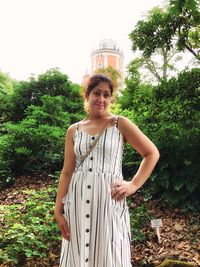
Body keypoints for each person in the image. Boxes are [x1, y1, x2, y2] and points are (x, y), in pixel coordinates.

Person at [54, 74, 160, 267]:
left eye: (106, 94)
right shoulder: (73, 130)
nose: (101, 99)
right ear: (87, 95)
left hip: (108, 203)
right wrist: (58, 210)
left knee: (110, 252)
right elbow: (67, 172)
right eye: (96, 93)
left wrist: (134, 184)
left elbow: (151, 153)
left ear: (111, 98)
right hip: (77, 203)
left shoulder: (120, 124)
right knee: (77, 251)